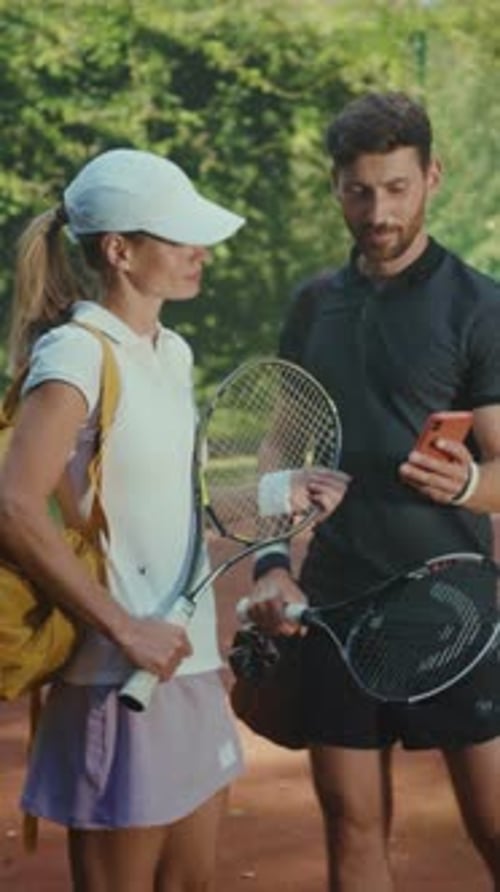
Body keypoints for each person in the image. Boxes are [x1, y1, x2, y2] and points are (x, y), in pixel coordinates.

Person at [246, 92, 500, 891]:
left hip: (453, 606)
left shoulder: (479, 306)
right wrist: (268, 567)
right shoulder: (314, 305)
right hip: (337, 603)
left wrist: (468, 480)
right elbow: (279, 459)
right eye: (360, 190)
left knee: (496, 827)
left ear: (432, 176)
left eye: (396, 187)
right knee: (352, 829)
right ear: (336, 186)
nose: (378, 209)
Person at [0, 147, 250, 892]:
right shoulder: (76, 353)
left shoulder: (171, 353)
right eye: (178, 237)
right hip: (116, 675)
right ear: (119, 250)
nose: (199, 252)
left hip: (189, 664)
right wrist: (124, 628)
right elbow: (13, 505)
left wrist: (282, 495)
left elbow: (165, 500)